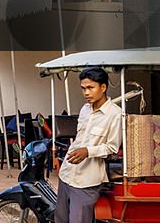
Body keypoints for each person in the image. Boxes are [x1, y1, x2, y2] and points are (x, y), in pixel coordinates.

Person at [55, 67, 122, 223]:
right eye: (83, 88)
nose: (86, 92)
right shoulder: (85, 109)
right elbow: (79, 139)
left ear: (103, 87)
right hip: (67, 174)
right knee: (60, 219)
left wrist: (88, 151)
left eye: (91, 88)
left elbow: (112, 148)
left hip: (87, 181)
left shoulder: (115, 114)